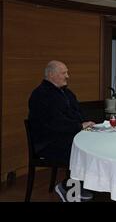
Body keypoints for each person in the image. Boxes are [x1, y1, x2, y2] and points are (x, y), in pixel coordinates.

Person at [28, 60, 96, 202]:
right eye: (63, 73)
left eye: (67, 72)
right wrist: (79, 126)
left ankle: (78, 186)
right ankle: (67, 187)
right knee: (83, 150)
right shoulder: (40, 95)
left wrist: (87, 124)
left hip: (65, 136)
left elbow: (78, 113)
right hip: (48, 143)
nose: (67, 76)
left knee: (93, 145)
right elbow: (55, 123)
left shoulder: (66, 92)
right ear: (51, 75)